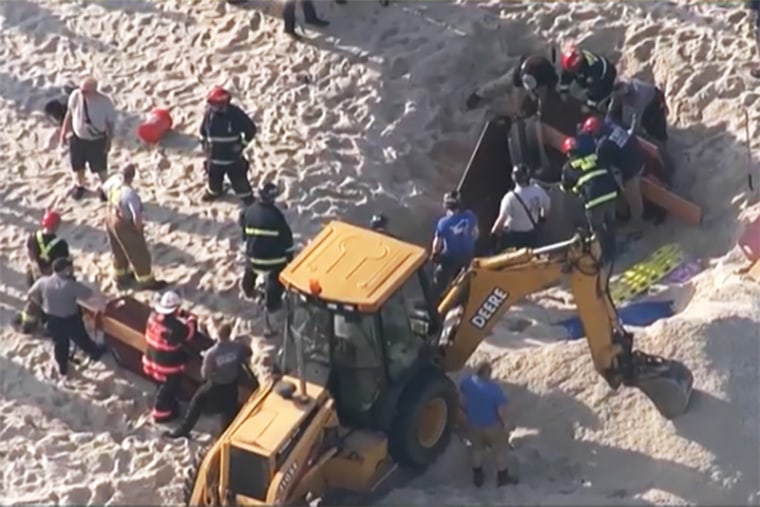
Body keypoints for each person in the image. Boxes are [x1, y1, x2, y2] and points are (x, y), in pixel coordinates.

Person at [164, 323, 253, 439]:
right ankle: (225, 437)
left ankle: (184, 429)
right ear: (229, 334)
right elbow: (247, 354)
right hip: (232, 385)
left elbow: (204, 374)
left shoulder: (211, 353)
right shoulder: (237, 348)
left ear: (217, 335)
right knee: (229, 415)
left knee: (197, 400)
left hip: (216, 385)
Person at [27, 258, 105, 376]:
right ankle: (94, 353)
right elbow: (88, 294)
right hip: (70, 319)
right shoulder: (71, 286)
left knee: (60, 344)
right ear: (66, 270)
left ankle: (62, 367)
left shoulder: (43, 281)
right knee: (81, 338)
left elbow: (31, 293)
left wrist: (42, 305)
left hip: (52, 320)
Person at [560, 137, 619, 277]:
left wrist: (578, 192)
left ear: (567, 153)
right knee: (610, 223)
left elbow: (565, 188)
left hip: (594, 199)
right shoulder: (593, 156)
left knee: (597, 229)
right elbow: (606, 169)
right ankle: (613, 251)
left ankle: (604, 257)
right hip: (610, 192)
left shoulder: (568, 167)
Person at [102, 164, 167, 290]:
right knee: (138, 252)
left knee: (118, 248)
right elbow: (136, 216)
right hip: (124, 222)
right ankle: (146, 280)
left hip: (110, 215)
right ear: (132, 177)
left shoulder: (113, 180)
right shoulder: (130, 194)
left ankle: (121, 275)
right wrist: (137, 231)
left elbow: (102, 193)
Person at [580, 115, 645, 237]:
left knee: (634, 199)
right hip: (637, 153)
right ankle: (629, 216)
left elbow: (600, 163)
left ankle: (637, 227)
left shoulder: (603, 144)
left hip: (631, 168)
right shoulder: (610, 123)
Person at [459, 360, 517, 488]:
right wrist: (507, 424)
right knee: (499, 452)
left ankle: (478, 477)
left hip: (474, 424)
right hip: (492, 426)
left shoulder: (467, 382)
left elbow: (461, 399)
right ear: (487, 373)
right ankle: (502, 477)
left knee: (477, 450)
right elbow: (501, 411)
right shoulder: (494, 389)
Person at [142, 291, 198, 423]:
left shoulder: (152, 317)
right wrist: (191, 319)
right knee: (168, 389)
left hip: (150, 359)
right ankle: (161, 413)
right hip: (167, 367)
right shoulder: (176, 328)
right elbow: (189, 333)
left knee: (160, 384)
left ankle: (167, 402)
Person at [239, 183, 295, 313]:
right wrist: (289, 258)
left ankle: (247, 287)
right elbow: (287, 241)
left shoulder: (248, 211)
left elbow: (244, 236)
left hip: (252, 261)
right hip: (272, 263)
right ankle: (272, 302)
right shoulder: (276, 216)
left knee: (251, 264)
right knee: (278, 275)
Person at [58, 76, 117, 201]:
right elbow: (70, 113)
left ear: (94, 91)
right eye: (81, 89)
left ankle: (105, 188)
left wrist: (109, 140)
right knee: (78, 166)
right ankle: (80, 185)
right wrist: (64, 131)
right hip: (78, 139)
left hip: (97, 141)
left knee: (100, 168)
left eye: (85, 91)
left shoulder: (105, 102)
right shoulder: (76, 95)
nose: (81, 92)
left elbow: (110, 124)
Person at [15, 210, 71, 333]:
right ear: (56, 226)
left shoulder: (33, 237)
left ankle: (28, 323)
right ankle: (48, 326)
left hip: (34, 276)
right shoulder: (61, 245)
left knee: (34, 300)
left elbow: (30, 256)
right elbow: (64, 266)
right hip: (50, 281)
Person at [199, 86, 257, 204]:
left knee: (239, 180)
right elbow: (203, 132)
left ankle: (247, 198)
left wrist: (241, 145)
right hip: (214, 158)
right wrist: (205, 147)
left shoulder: (236, 115)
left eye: (220, 105)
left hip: (232, 158)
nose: (218, 108)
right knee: (214, 179)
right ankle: (214, 192)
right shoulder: (209, 115)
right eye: (214, 105)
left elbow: (251, 130)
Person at [466, 53, 559, 115]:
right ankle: (478, 94)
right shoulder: (518, 75)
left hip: (540, 76)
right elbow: (514, 84)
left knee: (543, 103)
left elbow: (550, 85)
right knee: (502, 84)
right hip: (523, 69)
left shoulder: (546, 75)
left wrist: (540, 111)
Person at [491, 164, 551, 251]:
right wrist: (542, 220)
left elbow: (501, 220)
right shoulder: (537, 191)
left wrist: (493, 235)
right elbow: (547, 206)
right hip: (531, 234)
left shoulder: (510, 198)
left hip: (513, 237)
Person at [431, 190, 479, 296]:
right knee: (465, 279)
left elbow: (437, 244)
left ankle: (434, 300)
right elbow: (475, 233)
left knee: (439, 277)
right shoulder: (470, 215)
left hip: (450, 258)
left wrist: (434, 254)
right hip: (467, 255)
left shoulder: (443, 223)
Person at [608, 77, 669, 143]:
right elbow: (613, 105)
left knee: (654, 126)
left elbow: (637, 116)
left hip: (653, 99)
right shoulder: (618, 87)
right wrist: (608, 118)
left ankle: (661, 144)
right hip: (640, 97)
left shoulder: (638, 94)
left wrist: (631, 132)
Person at [558, 46, 618, 112]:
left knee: (601, 103)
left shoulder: (593, 68)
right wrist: (563, 91)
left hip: (605, 79)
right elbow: (567, 73)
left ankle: (607, 103)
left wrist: (589, 106)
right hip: (589, 78)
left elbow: (595, 89)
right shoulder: (573, 61)